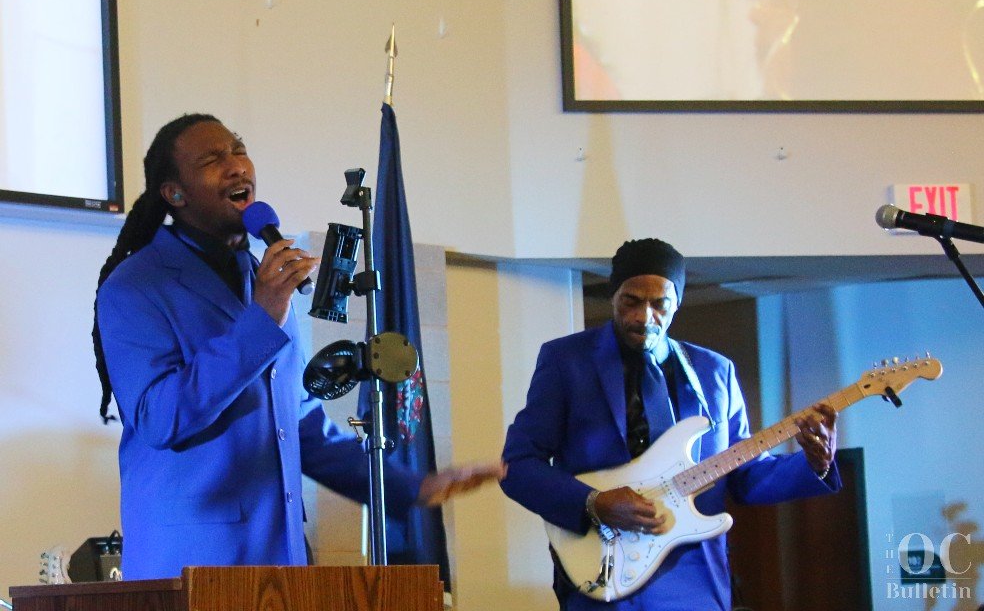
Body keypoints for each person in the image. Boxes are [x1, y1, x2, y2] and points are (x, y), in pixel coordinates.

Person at [93, 113, 502, 580]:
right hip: (190, 564)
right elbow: (159, 418)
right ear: (175, 193)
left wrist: (414, 485)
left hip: (280, 559)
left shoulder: (262, 280)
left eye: (237, 149)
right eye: (212, 159)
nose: (236, 166)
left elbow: (301, 422)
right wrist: (262, 317)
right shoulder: (137, 286)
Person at [500, 238, 840, 610]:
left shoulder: (715, 372)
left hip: (695, 579)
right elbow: (518, 465)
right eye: (631, 300)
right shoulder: (567, 360)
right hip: (605, 570)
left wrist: (814, 465)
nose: (645, 316)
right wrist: (593, 503)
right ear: (613, 295)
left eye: (660, 303)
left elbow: (742, 475)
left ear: (677, 303)